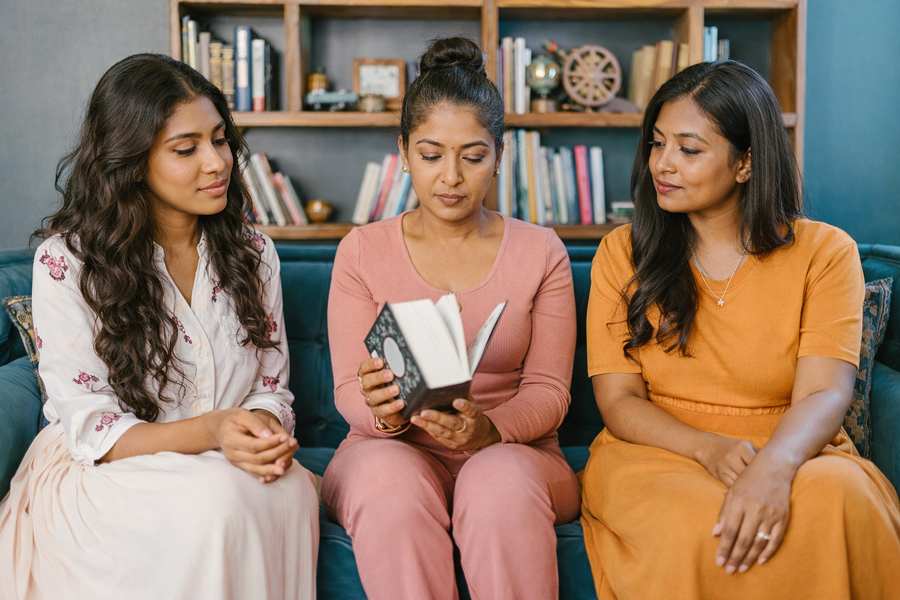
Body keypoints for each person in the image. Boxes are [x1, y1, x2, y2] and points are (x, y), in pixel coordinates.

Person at [0, 54, 318, 600]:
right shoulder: (68, 262)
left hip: (221, 461)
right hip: (104, 472)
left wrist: (258, 433)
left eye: (219, 139)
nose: (217, 163)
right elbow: (92, 428)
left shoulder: (253, 253)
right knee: (213, 500)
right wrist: (215, 430)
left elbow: (271, 387)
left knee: (290, 489)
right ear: (130, 160)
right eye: (185, 148)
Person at [580, 60, 900, 599]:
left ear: (746, 162)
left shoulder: (825, 252)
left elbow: (825, 391)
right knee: (696, 518)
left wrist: (774, 468)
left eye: (689, 148)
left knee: (840, 495)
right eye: (657, 144)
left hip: (792, 444)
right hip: (661, 452)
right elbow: (619, 400)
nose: (663, 164)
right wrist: (707, 450)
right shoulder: (622, 252)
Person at [322, 37, 581, 600]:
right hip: (388, 450)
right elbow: (348, 388)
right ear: (405, 151)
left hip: (516, 451)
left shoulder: (541, 251)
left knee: (497, 482)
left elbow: (549, 391)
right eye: (431, 154)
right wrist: (384, 414)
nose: (451, 178)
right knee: (389, 479)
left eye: (473, 155)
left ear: (499, 154)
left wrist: (491, 431)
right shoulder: (362, 251)